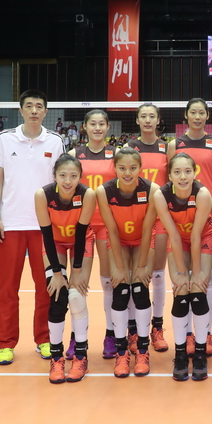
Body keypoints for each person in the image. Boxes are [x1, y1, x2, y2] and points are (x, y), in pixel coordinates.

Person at [0, 89, 65, 365]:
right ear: (20, 110)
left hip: (44, 227)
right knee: (7, 289)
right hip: (10, 225)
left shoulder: (55, 141)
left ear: (46, 112)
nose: (34, 110)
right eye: (29, 106)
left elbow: (61, 182)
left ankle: (43, 339)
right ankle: (6, 343)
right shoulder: (4, 138)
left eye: (39, 106)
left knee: (45, 287)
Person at [168, 98, 212, 356]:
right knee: (183, 278)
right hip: (181, 215)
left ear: (207, 115)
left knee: (205, 277)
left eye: (202, 112)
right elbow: (171, 180)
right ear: (186, 115)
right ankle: (187, 334)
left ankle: (206, 333)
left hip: (206, 215)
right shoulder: (175, 144)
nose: (198, 116)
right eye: (193, 112)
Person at [152, 153, 212, 381]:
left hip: (202, 237)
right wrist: (182, 273)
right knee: (180, 290)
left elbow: (197, 235)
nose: (182, 177)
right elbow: (174, 235)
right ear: (169, 175)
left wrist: (196, 273)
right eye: (177, 172)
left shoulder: (203, 194)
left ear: (194, 173)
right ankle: (180, 354)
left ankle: (200, 352)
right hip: (178, 238)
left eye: (187, 171)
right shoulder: (161, 195)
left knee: (198, 290)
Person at [98, 148, 160, 377]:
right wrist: (120, 267)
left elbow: (148, 228)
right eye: (122, 168)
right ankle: (122, 351)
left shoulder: (152, 189)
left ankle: (143, 349)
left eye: (133, 168)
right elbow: (112, 230)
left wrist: (142, 266)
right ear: (114, 168)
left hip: (143, 240)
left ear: (140, 168)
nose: (127, 173)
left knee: (140, 287)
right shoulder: (104, 191)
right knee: (121, 287)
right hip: (120, 241)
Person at [35, 154, 96, 383]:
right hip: (55, 243)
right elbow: (46, 235)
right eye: (63, 175)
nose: (68, 181)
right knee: (58, 296)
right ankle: (56, 357)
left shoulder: (87, 194)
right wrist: (57, 273)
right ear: (55, 176)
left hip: (81, 241)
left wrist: (76, 271)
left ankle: (81, 356)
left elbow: (80, 233)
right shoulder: (43, 195)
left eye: (73, 176)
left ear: (80, 177)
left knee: (77, 296)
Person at [68, 109, 118, 359]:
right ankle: (76, 338)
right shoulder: (73, 155)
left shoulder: (117, 155)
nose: (97, 128)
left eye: (101, 124)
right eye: (93, 124)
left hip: (108, 224)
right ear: (84, 127)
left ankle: (111, 335)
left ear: (108, 127)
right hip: (83, 226)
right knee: (78, 283)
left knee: (109, 282)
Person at [127, 103, 170, 353]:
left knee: (157, 274)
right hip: (135, 216)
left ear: (157, 120)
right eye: (143, 116)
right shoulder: (128, 147)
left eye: (151, 116)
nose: (147, 120)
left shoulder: (167, 147)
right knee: (135, 274)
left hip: (160, 217)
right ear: (137, 120)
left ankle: (157, 327)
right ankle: (134, 330)